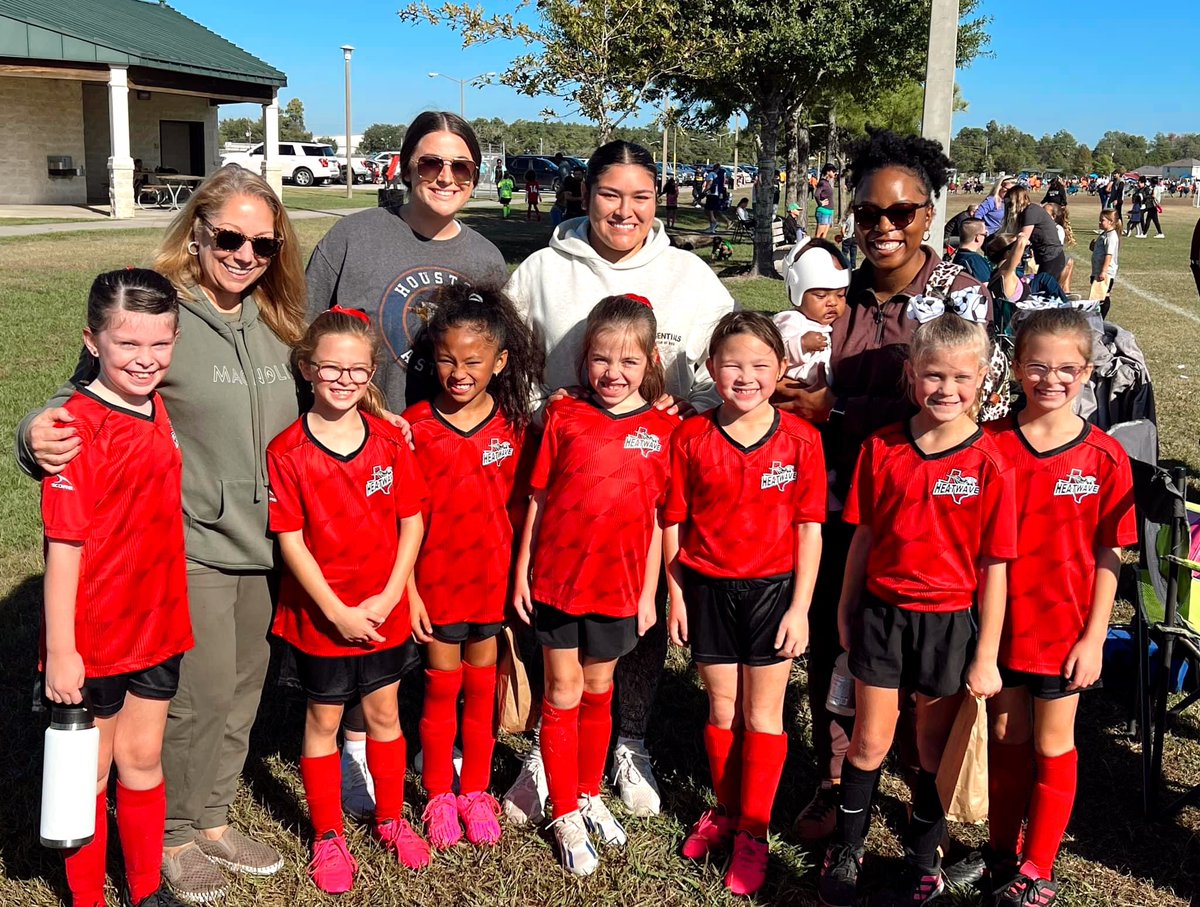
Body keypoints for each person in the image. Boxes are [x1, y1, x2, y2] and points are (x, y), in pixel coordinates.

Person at [18, 164, 306, 903]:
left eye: (262, 244)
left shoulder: (277, 319)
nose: (245, 254)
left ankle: (212, 815)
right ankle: (173, 833)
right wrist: (32, 434)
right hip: (189, 545)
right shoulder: (160, 309)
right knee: (193, 698)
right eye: (231, 238)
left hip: (266, 541)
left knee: (243, 691)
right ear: (200, 232)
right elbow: (77, 397)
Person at [504, 139, 735, 824]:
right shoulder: (545, 269)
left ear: (657, 201)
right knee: (560, 619)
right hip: (565, 466)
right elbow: (512, 363)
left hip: (647, 466)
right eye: (610, 194)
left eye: (640, 196)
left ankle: (628, 741)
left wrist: (684, 404)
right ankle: (552, 750)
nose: (624, 209)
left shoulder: (690, 277)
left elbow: (726, 365)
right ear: (585, 195)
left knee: (636, 620)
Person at [772, 128, 992, 846]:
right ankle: (837, 779)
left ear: (931, 213)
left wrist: (833, 410)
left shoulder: (963, 294)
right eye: (869, 213)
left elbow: (953, 408)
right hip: (836, 504)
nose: (885, 227)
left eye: (903, 212)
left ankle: (920, 776)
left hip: (931, 518)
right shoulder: (835, 296)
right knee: (839, 645)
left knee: (930, 659)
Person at [305, 112, 509, 819]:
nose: (445, 178)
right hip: (357, 460)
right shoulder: (353, 235)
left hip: (446, 463)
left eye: (460, 167)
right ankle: (360, 739)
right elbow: (305, 335)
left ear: (476, 176)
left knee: (437, 601)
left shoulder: (485, 256)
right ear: (404, 166)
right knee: (373, 604)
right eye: (431, 164)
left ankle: (434, 744)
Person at [817, 308, 1016, 907]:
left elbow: (995, 567)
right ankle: (846, 849)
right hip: (881, 615)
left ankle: (925, 861)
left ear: (982, 379)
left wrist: (985, 655)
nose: (946, 390)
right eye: (933, 376)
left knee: (931, 747)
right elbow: (864, 537)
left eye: (960, 378)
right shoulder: (882, 448)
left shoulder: (990, 462)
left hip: (951, 622)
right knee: (870, 741)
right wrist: (847, 607)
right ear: (912, 376)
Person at [42, 269, 192, 907]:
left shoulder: (155, 404)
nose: (146, 359)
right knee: (88, 772)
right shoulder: (75, 429)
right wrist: (62, 649)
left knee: (143, 759)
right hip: (96, 636)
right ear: (93, 340)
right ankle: (86, 898)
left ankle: (146, 887)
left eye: (161, 344)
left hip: (158, 621)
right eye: (128, 344)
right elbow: (63, 549)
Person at [513, 295, 678, 875]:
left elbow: (660, 517)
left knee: (599, 688)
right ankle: (562, 811)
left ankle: (586, 793)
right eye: (602, 359)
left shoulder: (663, 428)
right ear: (585, 358)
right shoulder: (563, 417)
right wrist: (521, 572)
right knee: (561, 692)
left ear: (652, 361)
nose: (614, 373)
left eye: (629, 363)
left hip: (619, 587)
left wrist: (645, 592)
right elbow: (536, 498)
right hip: (558, 580)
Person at [267, 307, 430, 891]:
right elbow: (290, 539)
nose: (343, 380)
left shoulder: (389, 439)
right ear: (308, 369)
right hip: (322, 616)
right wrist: (335, 611)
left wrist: (390, 597)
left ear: (371, 375)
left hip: (382, 609)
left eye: (357, 371)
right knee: (324, 720)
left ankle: (390, 818)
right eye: (330, 368)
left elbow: (411, 522)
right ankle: (328, 835)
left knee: (385, 715)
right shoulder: (287, 450)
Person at [666, 312, 825, 896]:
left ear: (783, 368)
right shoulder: (692, 436)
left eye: (761, 365)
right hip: (708, 588)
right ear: (711, 368)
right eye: (732, 364)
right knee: (722, 708)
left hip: (773, 593)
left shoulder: (801, 439)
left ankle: (755, 832)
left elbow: (810, 529)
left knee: (764, 714)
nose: (746, 376)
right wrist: (677, 592)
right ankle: (727, 813)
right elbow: (674, 522)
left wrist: (800, 606)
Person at [984, 310, 1136, 906]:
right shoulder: (991, 443)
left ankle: (1037, 865)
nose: (1052, 380)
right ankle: (999, 852)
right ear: (1018, 368)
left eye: (1067, 369)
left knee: (1052, 742)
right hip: (999, 626)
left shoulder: (1103, 457)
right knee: (1006, 735)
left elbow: (1110, 553)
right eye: (1038, 367)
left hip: (1064, 628)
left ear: (1088, 372)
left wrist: (1094, 637)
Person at [404, 285, 541, 851]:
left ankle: (476, 791)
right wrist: (409, 590)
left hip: (490, 583)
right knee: (441, 689)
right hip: (435, 584)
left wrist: (519, 579)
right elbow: (402, 520)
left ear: (500, 362)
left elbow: (524, 511)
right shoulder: (413, 427)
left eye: (472, 361)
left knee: (483, 687)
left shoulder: (515, 428)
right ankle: (439, 793)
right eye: (446, 360)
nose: (458, 373)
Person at [774, 238, 851, 387]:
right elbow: (769, 352)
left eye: (840, 295)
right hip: (793, 394)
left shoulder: (827, 324)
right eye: (821, 296)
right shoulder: (791, 320)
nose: (832, 302)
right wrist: (801, 344)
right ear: (797, 292)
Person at [1003, 186, 1067, 282]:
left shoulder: (1031, 211)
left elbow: (1023, 238)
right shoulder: (1026, 212)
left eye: (1010, 203)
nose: (1008, 206)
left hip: (1052, 257)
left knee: (1041, 288)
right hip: (1045, 257)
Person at [1090, 209, 1120, 316]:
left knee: (1103, 295)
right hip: (1096, 270)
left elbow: (1109, 255)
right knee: (1097, 295)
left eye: (1102, 220)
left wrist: (1104, 271)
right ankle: (1097, 316)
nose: (1099, 223)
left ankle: (1101, 318)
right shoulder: (1104, 234)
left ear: (1110, 222)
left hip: (1105, 272)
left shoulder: (1112, 236)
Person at [952, 217, 994, 282]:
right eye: (985, 234)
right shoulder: (975, 261)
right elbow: (986, 286)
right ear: (978, 237)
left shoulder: (958, 256)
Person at [815, 163, 838, 239]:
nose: (835, 173)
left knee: (823, 237)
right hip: (823, 212)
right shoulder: (823, 182)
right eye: (833, 171)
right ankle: (814, 249)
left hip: (828, 212)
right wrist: (820, 203)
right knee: (818, 237)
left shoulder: (827, 183)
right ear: (828, 171)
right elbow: (816, 194)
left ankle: (821, 249)